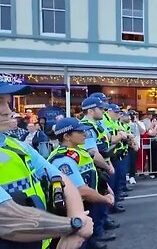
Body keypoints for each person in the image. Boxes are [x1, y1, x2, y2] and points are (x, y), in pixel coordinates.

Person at [0, 80, 93, 249]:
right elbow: (7, 218)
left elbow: (63, 181)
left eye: (7, 102)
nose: (8, 110)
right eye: (0, 102)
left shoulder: (17, 145)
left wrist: (76, 221)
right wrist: (75, 225)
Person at [48, 118, 115, 249]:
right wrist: (104, 199)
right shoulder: (63, 160)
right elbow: (81, 190)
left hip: (88, 204)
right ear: (67, 136)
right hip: (75, 209)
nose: (85, 134)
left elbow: (95, 173)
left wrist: (107, 189)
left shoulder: (80, 151)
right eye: (80, 131)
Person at [80, 97, 118, 243]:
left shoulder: (96, 125)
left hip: (101, 165)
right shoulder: (87, 127)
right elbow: (93, 152)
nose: (103, 111)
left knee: (102, 198)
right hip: (95, 167)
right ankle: (97, 233)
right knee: (97, 200)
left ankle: (101, 225)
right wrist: (107, 166)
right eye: (100, 109)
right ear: (90, 110)